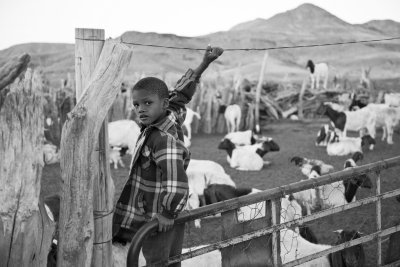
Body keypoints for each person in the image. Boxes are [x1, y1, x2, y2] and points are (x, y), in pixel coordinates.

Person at [112, 45, 224, 266]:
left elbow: (176, 180)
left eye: (147, 103)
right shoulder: (168, 113)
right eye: (136, 104)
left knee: (158, 261)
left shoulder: (163, 139)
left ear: (162, 104)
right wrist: (204, 64)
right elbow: (180, 94)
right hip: (155, 211)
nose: (141, 109)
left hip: (157, 217)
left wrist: (166, 213)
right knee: (171, 259)